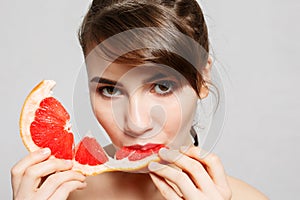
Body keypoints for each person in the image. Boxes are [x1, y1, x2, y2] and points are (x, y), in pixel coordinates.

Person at [11, 0, 268, 199]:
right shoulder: (61, 193)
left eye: (162, 86)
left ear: (202, 79)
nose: (136, 123)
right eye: (110, 91)